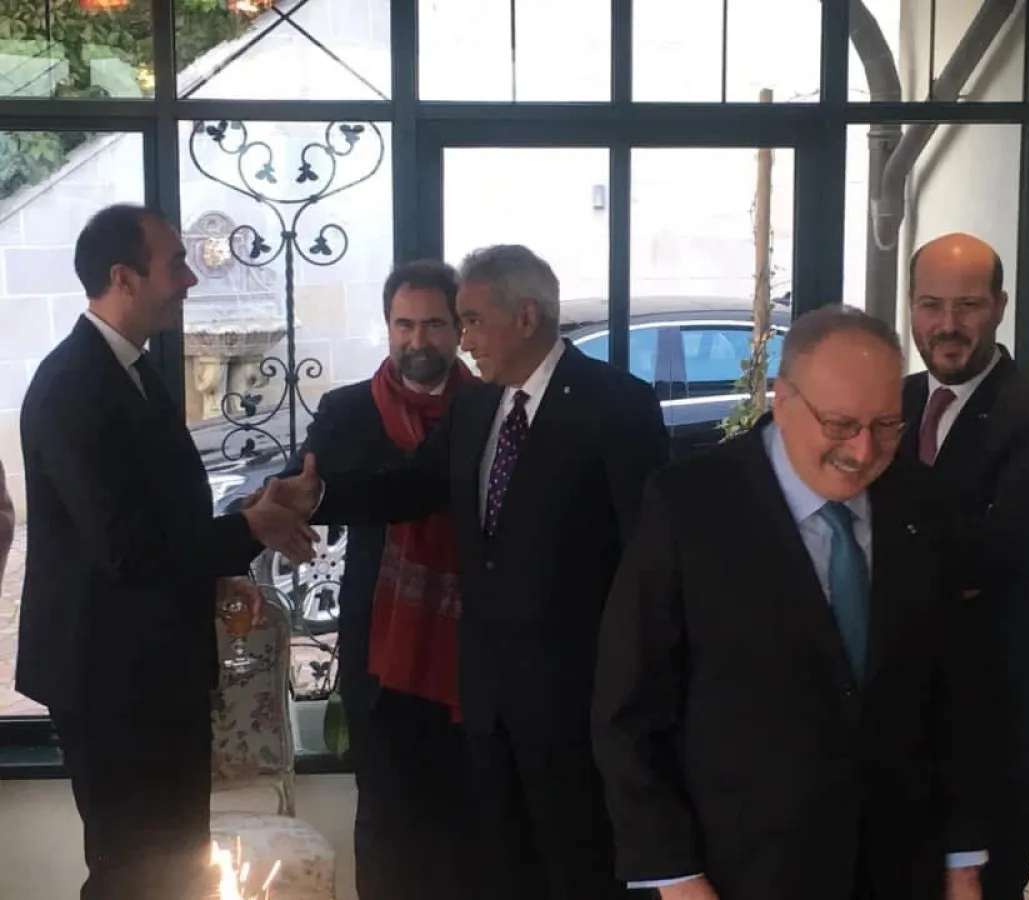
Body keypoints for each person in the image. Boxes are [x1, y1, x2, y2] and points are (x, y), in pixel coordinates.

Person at [270, 244, 670, 900]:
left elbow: (646, 558)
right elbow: (411, 488)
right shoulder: (478, 407)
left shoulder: (615, 405)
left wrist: (632, 690)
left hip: (572, 702)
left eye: (471, 321)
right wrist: (317, 498)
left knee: (577, 870)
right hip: (487, 699)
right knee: (500, 870)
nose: (464, 339)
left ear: (526, 317)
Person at [592, 305, 988, 900]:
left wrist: (962, 862)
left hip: (898, 866)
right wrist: (675, 876)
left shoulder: (924, 504)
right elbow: (628, 708)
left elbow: (954, 695)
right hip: (741, 873)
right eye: (840, 424)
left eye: (886, 425)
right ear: (781, 400)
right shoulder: (688, 508)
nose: (863, 451)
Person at [15, 203, 317, 900]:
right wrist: (249, 531)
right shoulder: (72, 386)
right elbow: (125, 549)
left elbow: (160, 517)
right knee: (137, 874)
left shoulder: (131, 369)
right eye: (175, 264)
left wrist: (238, 531)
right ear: (123, 277)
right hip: (110, 679)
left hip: (152, 670)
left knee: (177, 867)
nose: (190, 280)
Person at [282, 260, 481, 900]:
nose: (417, 340)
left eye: (433, 325)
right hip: (382, 654)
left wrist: (347, 495)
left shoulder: (488, 407)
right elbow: (299, 489)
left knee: (472, 831)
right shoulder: (348, 412)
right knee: (389, 828)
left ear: (459, 328)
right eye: (404, 324)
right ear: (387, 326)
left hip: (474, 655)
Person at [901, 233, 1029, 900]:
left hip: (998, 722)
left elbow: (1004, 552)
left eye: (968, 305)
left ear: (1000, 306)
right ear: (911, 306)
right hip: (898, 715)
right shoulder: (887, 405)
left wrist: (880, 546)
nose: (947, 325)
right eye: (930, 304)